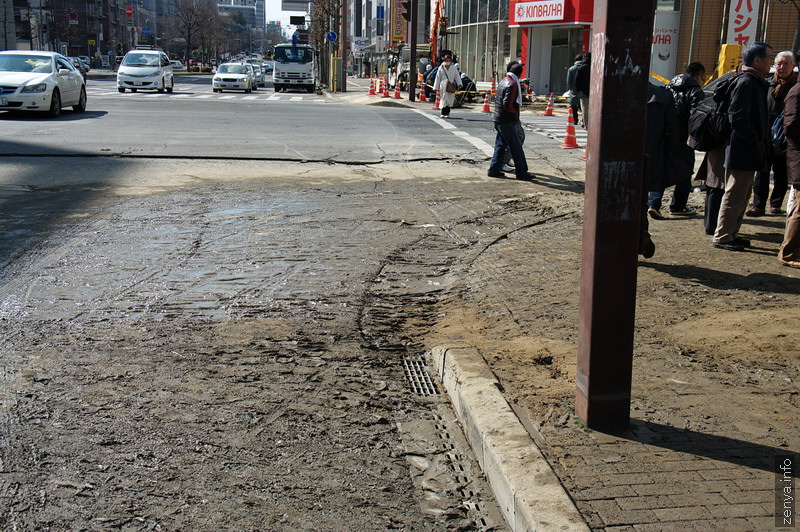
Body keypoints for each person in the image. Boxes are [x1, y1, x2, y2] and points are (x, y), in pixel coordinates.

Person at [713, 42, 773, 252]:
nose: (771, 63)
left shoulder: (753, 81)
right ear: (757, 61)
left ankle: (731, 233)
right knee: (735, 194)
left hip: (746, 148)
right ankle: (723, 236)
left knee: (742, 194)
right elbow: (737, 117)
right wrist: (754, 140)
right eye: (769, 59)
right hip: (742, 148)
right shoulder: (746, 82)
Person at [647, 62, 706, 219]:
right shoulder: (695, 92)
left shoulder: (668, 87)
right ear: (699, 76)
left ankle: (653, 204)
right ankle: (678, 205)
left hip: (664, 134)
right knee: (684, 171)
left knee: (659, 168)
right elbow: (696, 117)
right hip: (684, 137)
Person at [747, 51, 797, 217]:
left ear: (793, 66)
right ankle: (758, 205)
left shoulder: (795, 87)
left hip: (785, 136)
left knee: (781, 172)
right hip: (765, 135)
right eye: (779, 64)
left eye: (785, 64)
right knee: (762, 172)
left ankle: (775, 204)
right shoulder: (766, 84)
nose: (781, 67)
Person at [641, 82, 684, 257]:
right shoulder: (662, 96)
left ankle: (635, 236)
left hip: (618, 160)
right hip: (650, 159)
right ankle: (642, 233)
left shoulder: (613, 89)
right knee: (640, 201)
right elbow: (673, 135)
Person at [488, 61, 535, 181]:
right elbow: (507, 104)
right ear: (519, 74)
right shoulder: (513, 84)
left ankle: (494, 170)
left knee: (500, 145)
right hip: (507, 120)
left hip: (498, 119)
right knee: (516, 147)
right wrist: (514, 115)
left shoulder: (503, 81)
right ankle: (522, 172)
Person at [778, 77, 800, 267]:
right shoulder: (796, 92)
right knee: (799, 209)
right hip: (798, 158)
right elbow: (791, 126)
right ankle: (789, 253)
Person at [433, 53, 462, 118]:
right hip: (443, 86)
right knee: (443, 99)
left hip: (450, 85)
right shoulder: (441, 67)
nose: (447, 61)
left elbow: (457, 76)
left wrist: (459, 83)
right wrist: (436, 87)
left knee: (449, 100)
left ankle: (447, 113)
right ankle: (443, 112)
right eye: (446, 60)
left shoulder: (453, 67)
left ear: (450, 60)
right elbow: (438, 77)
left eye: (448, 60)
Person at [565, 54, 583, 123]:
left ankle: (575, 120)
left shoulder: (571, 69)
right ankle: (584, 120)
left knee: (573, 106)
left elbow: (568, 81)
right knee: (583, 106)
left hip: (574, 90)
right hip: (584, 90)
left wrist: (571, 88)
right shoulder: (586, 67)